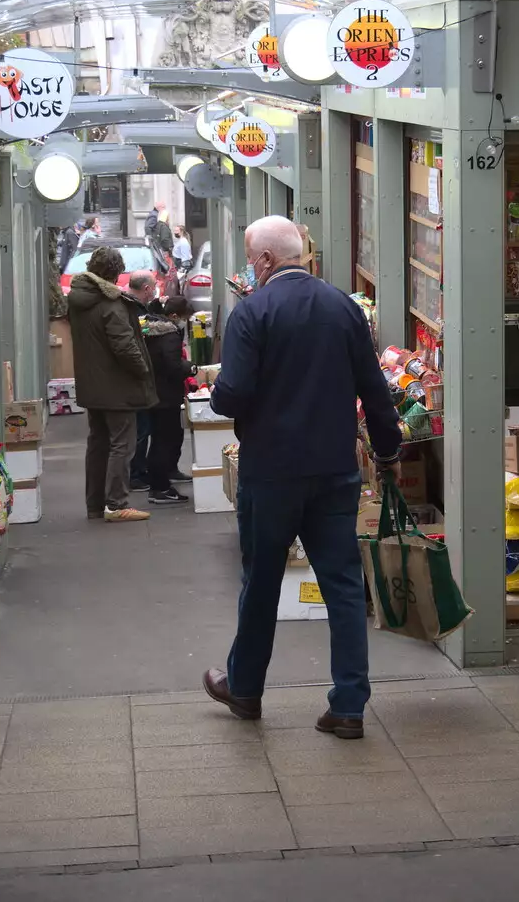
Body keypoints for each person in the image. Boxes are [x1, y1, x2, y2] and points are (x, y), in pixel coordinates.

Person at [202, 215, 401, 740]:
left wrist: (222, 392)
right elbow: (375, 392)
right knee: (342, 585)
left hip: (271, 473)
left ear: (266, 260)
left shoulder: (253, 312)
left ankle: (244, 690)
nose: (250, 266)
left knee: (262, 582)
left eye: (250, 257)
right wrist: (387, 451)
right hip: (335, 470)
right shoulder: (344, 308)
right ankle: (349, 705)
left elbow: (232, 394)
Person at [66, 251, 159, 522]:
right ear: (117, 273)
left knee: (97, 444)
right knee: (123, 443)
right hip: (117, 387)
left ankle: (95, 505)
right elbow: (124, 345)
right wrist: (142, 370)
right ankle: (117, 504)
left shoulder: (79, 299)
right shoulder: (110, 303)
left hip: (91, 385)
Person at [142, 295, 196, 505]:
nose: (185, 322)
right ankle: (160, 487)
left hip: (155, 393)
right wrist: (190, 367)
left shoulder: (153, 330)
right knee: (166, 439)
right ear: (174, 316)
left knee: (159, 439)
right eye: (184, 318)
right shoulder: (170, 335)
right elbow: (173, 365)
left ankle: (159, 483)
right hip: (166, 396)